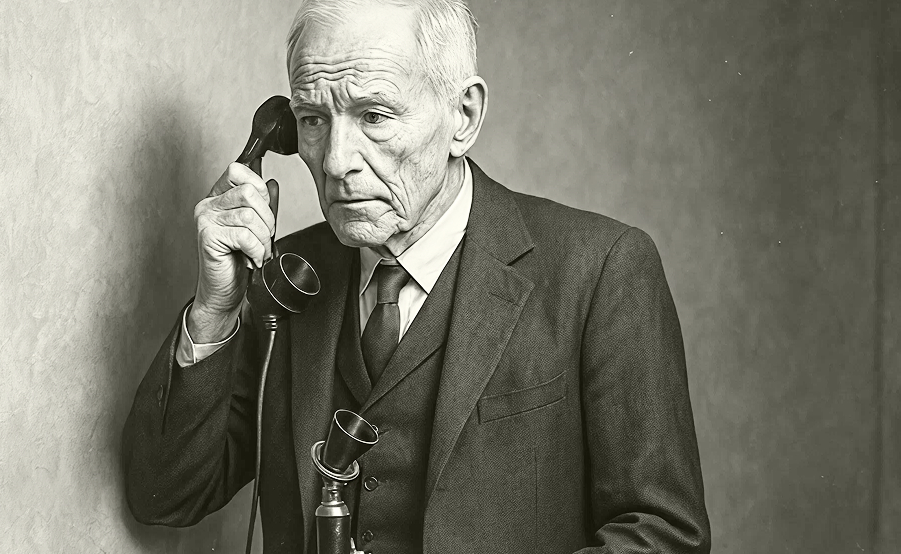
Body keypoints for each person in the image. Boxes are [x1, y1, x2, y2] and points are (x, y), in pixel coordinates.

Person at [121, 0, 711, 552]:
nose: (334, 161)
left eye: (374, 115)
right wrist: (215, 310)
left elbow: (662, 533)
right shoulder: (280, 279)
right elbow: (166, 495)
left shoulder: (602, 269)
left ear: (463, 116)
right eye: (312, 119)